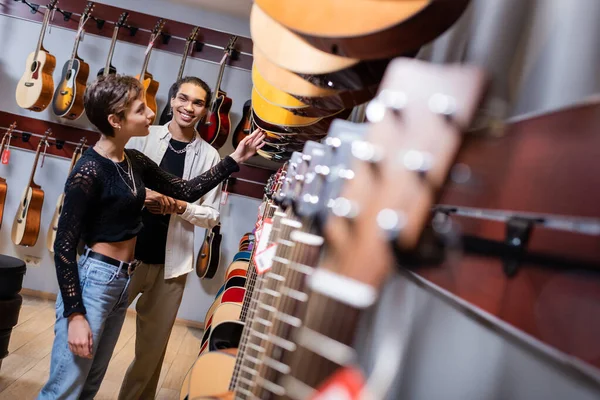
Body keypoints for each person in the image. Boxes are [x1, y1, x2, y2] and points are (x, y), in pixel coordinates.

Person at [37, 74, 265, 400]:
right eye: (141, 109)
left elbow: (187, 189)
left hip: (119, 281)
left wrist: (235, 159)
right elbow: (63, 246)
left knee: (87, 386)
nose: (150, 114)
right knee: (65, 388)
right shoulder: (89, 171)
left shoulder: (134, 161)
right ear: (116, 120)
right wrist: (74, 314)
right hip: (95, 280)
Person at [118, 76, 223, 399]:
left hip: (171, 268)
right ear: (172, 100)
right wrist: (143, 196)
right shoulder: (142, 138)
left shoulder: (210, 157)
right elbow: (117, 186)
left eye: (198, 102)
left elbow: (211, 215)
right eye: (183, 98)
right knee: (97, 335)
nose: (188, 107)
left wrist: (178, 206)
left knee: (151, 353)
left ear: (206, 110)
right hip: (125, 255)